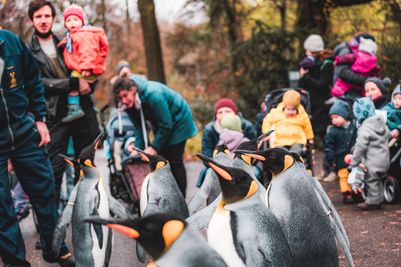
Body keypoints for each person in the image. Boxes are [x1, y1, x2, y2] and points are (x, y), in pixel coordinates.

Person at [0, 29, 74, 267]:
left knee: (45, 193)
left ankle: (55, 248)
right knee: (2, 207)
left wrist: (40, 119)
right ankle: (15, 263)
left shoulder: (10, 41)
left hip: (25, 135)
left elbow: (33, 78)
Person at [27, 0, 100, 207]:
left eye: (47, 16)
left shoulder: (68, 40)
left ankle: (84, 213)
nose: (43, 21)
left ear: (53, 18)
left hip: (82, 111)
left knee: (86, 166)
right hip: (54, 114)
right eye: (38, 17)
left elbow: (89, 65)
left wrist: (90, 83)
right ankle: (51, 229)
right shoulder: (28, 51)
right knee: (54, 169)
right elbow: (37, 83)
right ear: (32, 20)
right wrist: (72, 83)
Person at [112, 76, 198, 197]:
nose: (123, 100)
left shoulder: (153, 95)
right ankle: (167, 196)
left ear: (133, 89)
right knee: (161, 159)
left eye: (125, 95)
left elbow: (166, 125)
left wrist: (153, 147)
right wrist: (139, 150)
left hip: (179, 120)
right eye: (120, 98)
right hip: (162, 122)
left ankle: (180, 198)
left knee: (173, 160)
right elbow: (138, 126)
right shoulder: (127, 104)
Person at [58, 4, 109, 123]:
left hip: (85, 69)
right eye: (68, 20)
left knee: (73, 85)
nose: (72, 23)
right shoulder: (72, 36)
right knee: (82, 89)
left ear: (82, 21)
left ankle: (74, 109)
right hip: (81, 68)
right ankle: (83, 107)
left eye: (75, 19)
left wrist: (86, 68)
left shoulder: (84, 35)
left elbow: (88, 52)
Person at [348, 97, 390, 210]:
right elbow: (388, 135)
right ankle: (380, 199)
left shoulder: (364, 129)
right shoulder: (382, 124)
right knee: (379, 180)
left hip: (373, 161)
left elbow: (360, 147)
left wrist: (354, 162)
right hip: (385, 159)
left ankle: (373, 201)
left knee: (371, 180)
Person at [323, 100, 357, 202]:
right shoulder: (332, 131)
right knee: (343, 175)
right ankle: (347, 193)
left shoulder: (353, 127)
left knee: (355, 175)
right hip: (340, 159)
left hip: (353, 158)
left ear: (345, 116)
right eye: (332, 118)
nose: (334, 120)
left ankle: (356, 192)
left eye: (336, 117)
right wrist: (331, 160)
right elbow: (329, 147)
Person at [262, 89, 314, 155]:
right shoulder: (276, 113)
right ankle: (285, 162)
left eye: (293, 109)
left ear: (297, 108)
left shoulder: (302, 115)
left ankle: (293, 161)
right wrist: (266, 133)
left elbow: (307, 126)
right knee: (281, 153)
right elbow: (267, 121)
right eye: (288, 109)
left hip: (297, 140)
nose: (290, 112)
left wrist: (310, 138)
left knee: (296, 152)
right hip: (279, 140)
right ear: (284, 107)